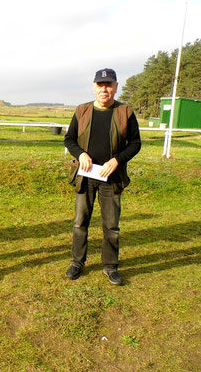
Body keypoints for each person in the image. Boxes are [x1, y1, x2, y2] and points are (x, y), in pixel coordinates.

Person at [64, 68, 141, 285]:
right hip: (85, 176)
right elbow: (69, 139)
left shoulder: (125, 111)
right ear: (94, 87)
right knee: (80, 222)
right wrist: (81, 154)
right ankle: (77, 263)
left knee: (111, 225)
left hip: (112, 177)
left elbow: (135, 143)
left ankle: (110, 266)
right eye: (100, 85)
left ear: (116, 87)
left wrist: (117, 160)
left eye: (108, 85)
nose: (104, 89)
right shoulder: (82, 110)